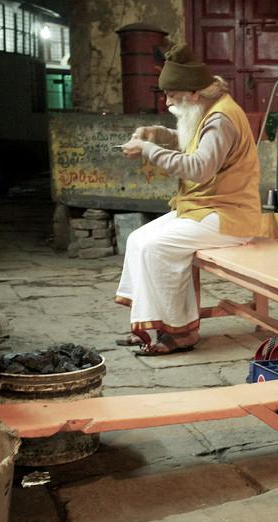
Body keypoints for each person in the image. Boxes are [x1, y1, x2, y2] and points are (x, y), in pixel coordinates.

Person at [114, 44, 262, 356]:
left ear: (194, 93)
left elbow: (198, 168)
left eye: (172, 95)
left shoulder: (222, 118)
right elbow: (192, 139)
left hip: (230, 216)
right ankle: (149, 325)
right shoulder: (209, 106)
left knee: (158, 248)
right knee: (139, 239)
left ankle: (181, 332)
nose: (167, 102)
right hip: (205, 207)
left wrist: (147, 150)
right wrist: (156, 134)